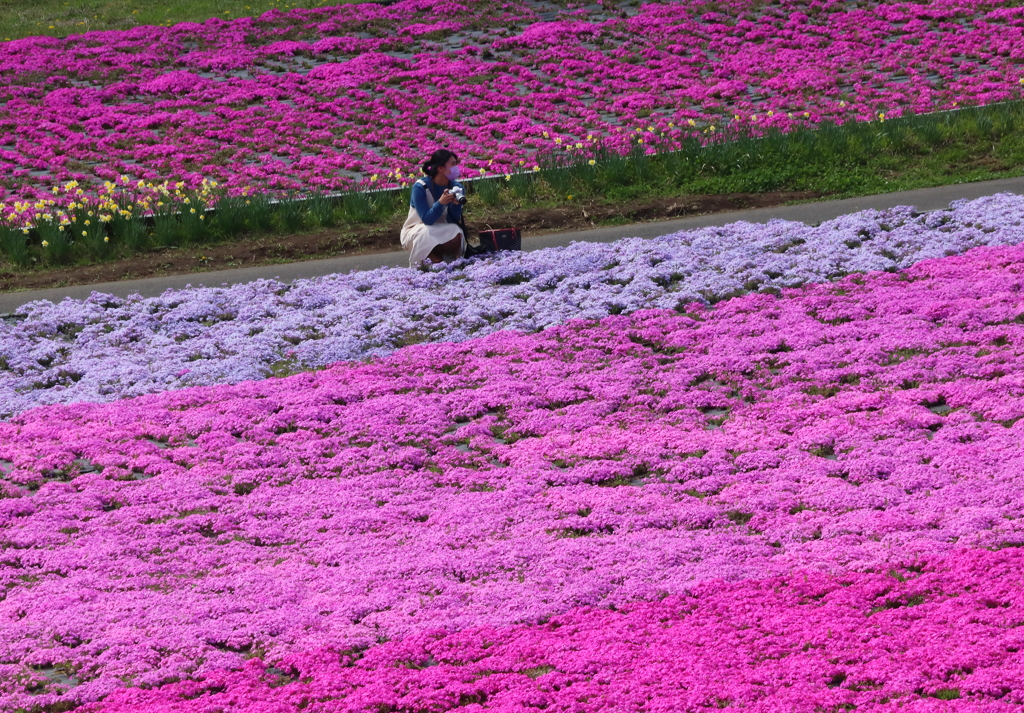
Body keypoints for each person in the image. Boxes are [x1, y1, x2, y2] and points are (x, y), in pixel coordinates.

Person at [401, 149, 466, 266]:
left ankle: (445, 259)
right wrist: (440, 203)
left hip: (441, 227)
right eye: (452, 164)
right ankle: (428, 262)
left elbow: (452, 221)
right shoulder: (420, 187)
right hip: (417, 228)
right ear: (441, 168)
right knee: (426, 232)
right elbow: (427, 219)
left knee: (456, 232)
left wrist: (455, 205)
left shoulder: (457, 187)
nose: (456, 168)